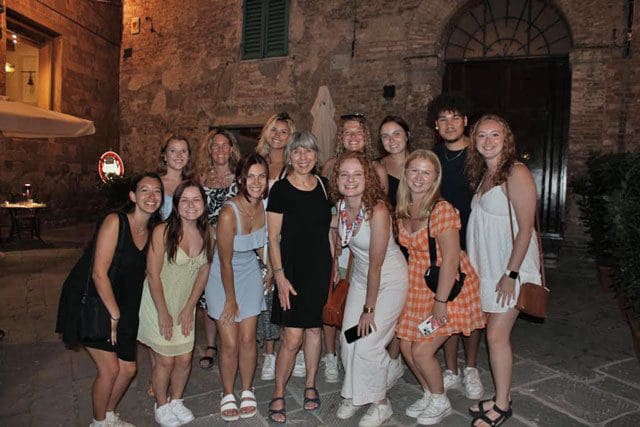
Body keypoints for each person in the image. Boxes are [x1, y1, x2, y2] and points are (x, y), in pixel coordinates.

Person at [56, 173, 163, 427]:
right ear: (132, 196)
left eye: (157, 191)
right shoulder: (116, 222)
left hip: (125, 305)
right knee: (110, 369)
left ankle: (109, 415)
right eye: (144, 190)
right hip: (94, 300)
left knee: (128, 369)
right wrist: (114, 314)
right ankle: (99, 422)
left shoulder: (151, 231)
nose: (151, 196)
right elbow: (98, 273)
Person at [395, 150, 485, 425]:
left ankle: (440, 399)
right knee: (407, 346)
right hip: (419, 286)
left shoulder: (441, 210)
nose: (419, 177)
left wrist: (441, 302)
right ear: (405, 174)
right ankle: (429, 392)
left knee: (422, 350)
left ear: (435, 178)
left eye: (426, 172)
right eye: (414, 171)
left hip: (449, 290)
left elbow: (451, 261)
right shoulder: (403, 210)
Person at [466, 114, 541, 427]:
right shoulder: (486, 174)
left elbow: (525, 229)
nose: (488, 141)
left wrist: (511, 274)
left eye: (494, 135)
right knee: (493, 337)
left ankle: (502, 404)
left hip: (510, 270)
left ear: (506, 139)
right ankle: (500, 395)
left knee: (496, 337)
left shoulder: (516, 172)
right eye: (482, 136)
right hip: (490, 268)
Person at [331, 151, 408, 427]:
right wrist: (333, 234)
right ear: (337, 179)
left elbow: (376, 264)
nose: (350, 180)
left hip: (388, 280)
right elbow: (339, 237)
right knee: (348, 339)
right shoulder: (341, 207)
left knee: (368, 342)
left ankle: (380, 404)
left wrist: (369, 310)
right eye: (344, 174)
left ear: (367, 178)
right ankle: (354, 395)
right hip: (362, 279)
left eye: (357, 174)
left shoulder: (377, 210)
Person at [266, 131, 332, 423]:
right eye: (297, 152)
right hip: (291, 271)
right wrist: (279, 275)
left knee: (315, 331)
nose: (303, 157)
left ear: (316, 155)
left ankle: (310, 384)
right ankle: (278, 392)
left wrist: (333, 271)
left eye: (308, 152)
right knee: (292, 337)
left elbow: (330, 230)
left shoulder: (325, 186)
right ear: (289, 156)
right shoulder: (280, 190)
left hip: (319, 269)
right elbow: (273, 237)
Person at [320, 113, 389, 384]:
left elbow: (380, 212)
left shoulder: (377, 169)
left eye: (358, 132)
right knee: (333, 297)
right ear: (341, 138)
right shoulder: (329, 166)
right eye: (347, 132)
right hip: (337, 240)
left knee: (359, 300)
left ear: (366, 137)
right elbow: (325, 209)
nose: (352, 137)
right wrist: (332, 244)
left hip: (365, 242)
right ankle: (329, 357)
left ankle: (355, 353)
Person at [137, 180, 213, 427]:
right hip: (157, 302)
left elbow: (203, 273)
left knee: (184, 358)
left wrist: (190, 308)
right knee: (166, 360)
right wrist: (163, 313)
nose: (191, 206)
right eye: (185, 200)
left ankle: (177, 401)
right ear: (176, 204)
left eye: (196, 200)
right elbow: (153, 274)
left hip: (184, 304)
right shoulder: (162, 231)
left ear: (204, 203)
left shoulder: (207, 233)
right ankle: (161, 405)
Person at [428, 94, 485, 399]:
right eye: (443, 119)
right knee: (447, 302)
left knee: (473, 309)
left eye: (454, 118)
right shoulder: (434, 157)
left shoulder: (478, 155)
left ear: (465, 122)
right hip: (443, 240)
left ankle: (471, 367)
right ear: (436, 125)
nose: (449, 124)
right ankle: (450, 369)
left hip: (474, 241)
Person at [204, 153, 269, 421]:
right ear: (241, 179)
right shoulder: (229, 212)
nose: (256, 182)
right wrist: (230, 299)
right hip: (223, 277)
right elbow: (225, 263)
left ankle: (247, 388)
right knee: (229, 342)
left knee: (247, 338)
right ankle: (227, 392)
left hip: (250, 274)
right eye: (251, 176)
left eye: (261, 176)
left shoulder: (262, 206)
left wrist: (268, 271)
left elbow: (263, 243)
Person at [255, 112, 296, 380]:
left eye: (283, 131)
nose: (278, 135)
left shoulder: (293, 166)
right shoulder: (257, 163)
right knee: (266, 296)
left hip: (285, 236)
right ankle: (269, 352)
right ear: (266, 132)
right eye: (274, 130)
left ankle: (293, 346)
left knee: (287, 293)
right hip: (259, 236)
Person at [196, 128, 240, 370]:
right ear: (209, 150)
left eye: (225, 145)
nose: (221, 150)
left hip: (234, 245)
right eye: (216, 145)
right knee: (207, 296)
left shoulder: (239, 177)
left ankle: (232, 339)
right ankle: (211, 344)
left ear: (231, 149)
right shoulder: (202, 179)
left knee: (232, 290)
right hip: (208, 245)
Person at [378, 115, 413, 386]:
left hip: (420, 240)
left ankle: (398, 356)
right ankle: (392, 357)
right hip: (392, 243)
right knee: (394, 303)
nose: (392, 140)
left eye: (396, 133)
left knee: (413, 303)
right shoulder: (379, 168)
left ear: (407, 135)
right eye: (386, 136)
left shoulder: (421, 163)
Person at [158, 135, 192, 220]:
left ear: (188, 157)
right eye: (173, 151)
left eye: (183, 151)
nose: (179, 155)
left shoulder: (191, 186)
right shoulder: (156, 183)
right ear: (165, 156)